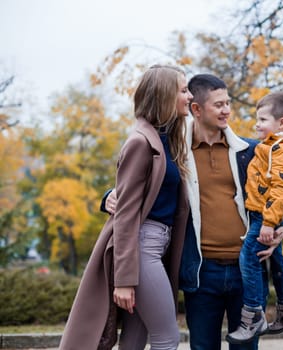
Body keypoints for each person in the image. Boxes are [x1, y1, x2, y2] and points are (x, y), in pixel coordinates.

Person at [105, 73, 283, 350]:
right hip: (200, 273)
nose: (227, 110)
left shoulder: (251, 151)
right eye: (219, 105)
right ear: (196, 109)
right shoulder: (173, 153)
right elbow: (138, 182)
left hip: (247, 271)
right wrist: (109, 196)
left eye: (228, 103)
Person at [59, 64, 192, 350]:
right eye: (183, 90)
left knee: (134, 339)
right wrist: (124, 280)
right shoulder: (140, 143)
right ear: (165, 96)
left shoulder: (168, 140)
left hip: (158, 246)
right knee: (167, 337)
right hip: (142, 249)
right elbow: (128, 214)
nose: (189, 96)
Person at [226, 92, 283, 344]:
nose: (257, 125)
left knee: (248, 257)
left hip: (264, 216)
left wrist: (268, 223)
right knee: (276, 259)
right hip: (266, 214)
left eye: (262, 119)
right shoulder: (271, 147)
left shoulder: (281, 151)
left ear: (282, 123)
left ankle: (253, 315)